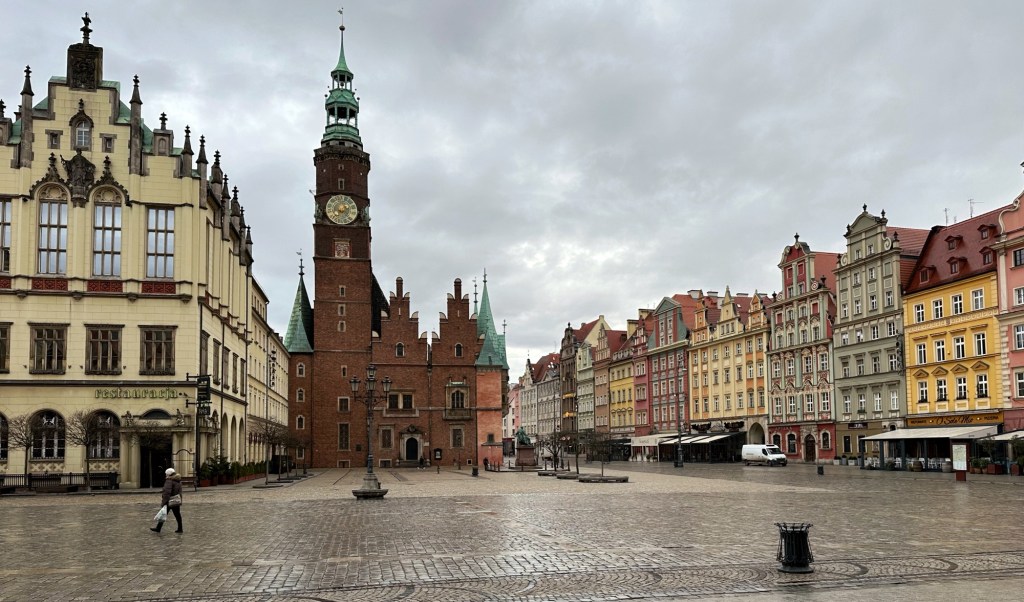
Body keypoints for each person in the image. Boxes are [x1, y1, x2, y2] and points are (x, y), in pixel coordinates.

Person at [151, 467, 183, 533]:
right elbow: (180, 491)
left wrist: (164, 502)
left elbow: (167, 492)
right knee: (177, 515)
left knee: (163, 514)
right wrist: (180, 499)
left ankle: (158, 528)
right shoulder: (178, 480)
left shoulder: (169, 480)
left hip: (169, 500)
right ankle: (180, 528)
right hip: (176, 500)